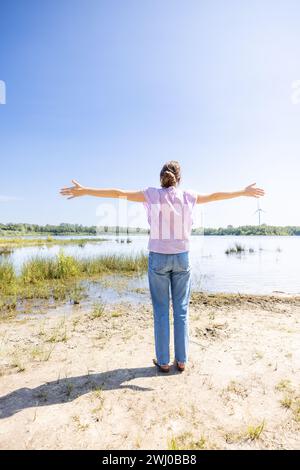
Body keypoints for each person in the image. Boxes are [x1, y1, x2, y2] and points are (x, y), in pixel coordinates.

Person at [60, 160, 265, 373]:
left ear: (162, 178)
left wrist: (85, 191)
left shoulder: (151, 194)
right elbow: (215, 196)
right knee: (181, 311)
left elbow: (117, 192)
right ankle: (182, 360)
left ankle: (164, 361)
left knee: (160, 311)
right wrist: (243, 192)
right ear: (179, 178)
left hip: (158, 258)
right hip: (182, 258)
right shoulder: (189, 196)